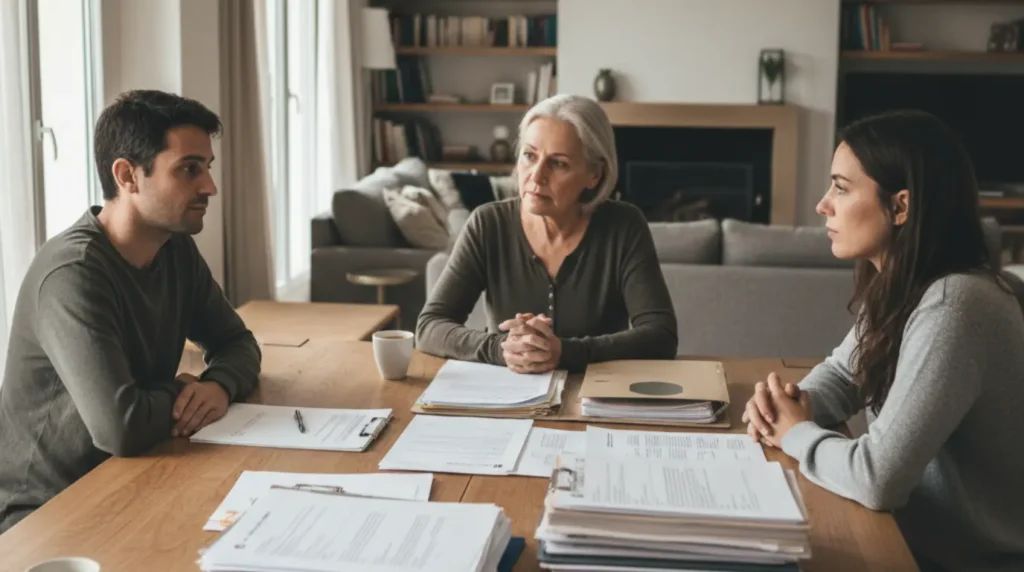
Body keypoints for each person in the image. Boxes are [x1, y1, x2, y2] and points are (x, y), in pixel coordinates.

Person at [743, 110, 1024, 572]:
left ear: (900, 207)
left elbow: (877, 479)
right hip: (909, 538)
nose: (822, 205)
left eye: (841, 187)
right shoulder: (904, 285)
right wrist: (792, 402)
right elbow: (841, 372)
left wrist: (795, 432)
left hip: (965, 560)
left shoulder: (955, 307)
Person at [0, 90, 261, 533]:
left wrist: (218, 383)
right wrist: (180, 394)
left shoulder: (175, 248)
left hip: (138, 476)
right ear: (128, 176)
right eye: (189, 169)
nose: (209, 187)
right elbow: (120, 426)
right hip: (47, 515)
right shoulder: (74, 273)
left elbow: (237, 343)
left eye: (207, 169)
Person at [416, 94, 677, 373]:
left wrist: (565, 352)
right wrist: (499, 348)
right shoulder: (488, 223)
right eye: (529, 156)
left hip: (593, 399)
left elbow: (660, 336)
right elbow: (429, 326)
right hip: (506, 399)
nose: (536, 176)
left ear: (595, 175)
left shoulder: (624, 225)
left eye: (558, 163)